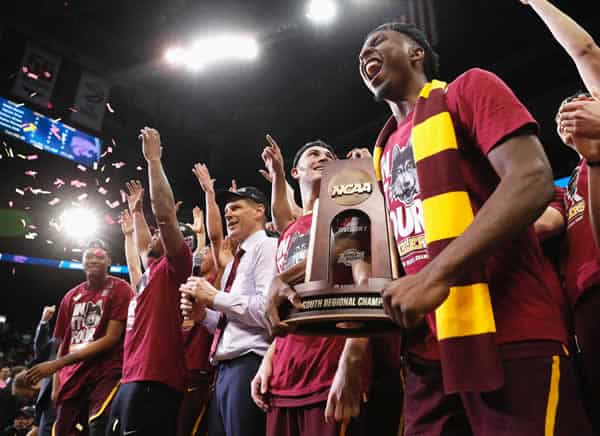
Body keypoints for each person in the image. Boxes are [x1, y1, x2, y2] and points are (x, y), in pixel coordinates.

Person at [353, 21, 592, 435]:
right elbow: (381, 257)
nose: (364, 54)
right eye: (361, 52)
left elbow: (532, 178)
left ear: (416, 53)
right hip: (428, 352)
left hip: (509, 331)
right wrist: (343, 336)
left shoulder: (467, 89)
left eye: (377, 42)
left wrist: (435, 275)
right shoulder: (384, 150)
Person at [256, 136, 403, 436]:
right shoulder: (289, 231)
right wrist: (269, 358)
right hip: (284, 380)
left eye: (329, 155)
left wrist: (353, 357)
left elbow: (369, 282)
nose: (323, 157)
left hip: (330, 376)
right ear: (296, 172)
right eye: (313, 153)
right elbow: (285, 303)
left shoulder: (353, 209)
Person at [518, 2, 600, 431]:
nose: (569, 110)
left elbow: (586, 52)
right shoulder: (568, 187)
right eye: (562, 111)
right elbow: (543, 226)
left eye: (581, 100)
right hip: (583, 308)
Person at [106, 127, 192, 436]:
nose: (155, 233)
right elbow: (141, 250)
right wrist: (137, 214)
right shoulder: (150, 273)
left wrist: (154, 161)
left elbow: (165, 216)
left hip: (155, 379)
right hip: (132, 377)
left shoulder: (176, 267)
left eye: (160, 234)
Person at [181, 177, 276, 436]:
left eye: (236, 207)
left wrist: (214, 297)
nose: (228, 214)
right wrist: (203, 315)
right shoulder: (235, 263)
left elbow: (267, 312)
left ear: (259, 211)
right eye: (226, 211)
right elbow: (229, 324)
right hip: (224, 369)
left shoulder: (268, 247)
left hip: (251, 363)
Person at [24, 240, 132, 436]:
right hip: (72, 376)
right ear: (82, 262)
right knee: (61, 431)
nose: (93, 260)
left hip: (106, 371)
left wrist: (57, 364)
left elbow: (111, 338)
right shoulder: (70, 297)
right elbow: (62, 344)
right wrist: (56, 385)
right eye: (88, 256)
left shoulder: (120, 288)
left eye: (100, 256)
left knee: (98, 422)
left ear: (109, 261)